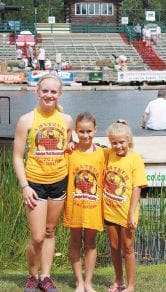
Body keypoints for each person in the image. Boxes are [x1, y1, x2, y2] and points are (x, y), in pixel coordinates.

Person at [13, 74, 73, 292]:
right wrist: (25, 186)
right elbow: (18, 157)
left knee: (49, 232)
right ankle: (32, 275)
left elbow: (67, 146)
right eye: (45, 91)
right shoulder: (26, 120)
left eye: (53, 92)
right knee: (37, 236)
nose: (49, 95)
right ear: (37, 92)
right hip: (35, 184)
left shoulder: (66, 120)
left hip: (59, 182)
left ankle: (46, 277)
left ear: (59, 94)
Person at [103, 120, 147, 292]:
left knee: (127, 248)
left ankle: (130, 286)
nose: (118, 146)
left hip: (127, 212)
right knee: (114, 247)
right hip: (110, 209)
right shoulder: (108, 154)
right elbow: (89, 148)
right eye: (114, 142)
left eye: (121, 142)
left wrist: (131, 214)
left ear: (128, 140)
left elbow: (137, 188)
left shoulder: (135, 159)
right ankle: (119, 281)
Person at [63, 112, 105, 292]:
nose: (85, 135)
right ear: (75, 131)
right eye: (81, 131)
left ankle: (88, 282)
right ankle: (79, 281)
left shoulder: (103, 153)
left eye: (89, 131)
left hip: (94, 207)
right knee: (74, 242)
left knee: (90, 243)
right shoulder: (70, 152)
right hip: (74, 206)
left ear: (95, 130)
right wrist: (68, 141)